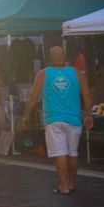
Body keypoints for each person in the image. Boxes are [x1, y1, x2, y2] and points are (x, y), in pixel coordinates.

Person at [22, 46, 93, 194]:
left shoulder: (43, 74)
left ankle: (64, 186)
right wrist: (89, 115)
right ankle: (72, 183)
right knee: (72, 153)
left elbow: (33, 97)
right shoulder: (76, 72)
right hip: (74, 119)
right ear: (64, 56)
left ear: (49, 57)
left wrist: (26, 115)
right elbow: (86, 95)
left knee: (60, 153)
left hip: (53, 119)